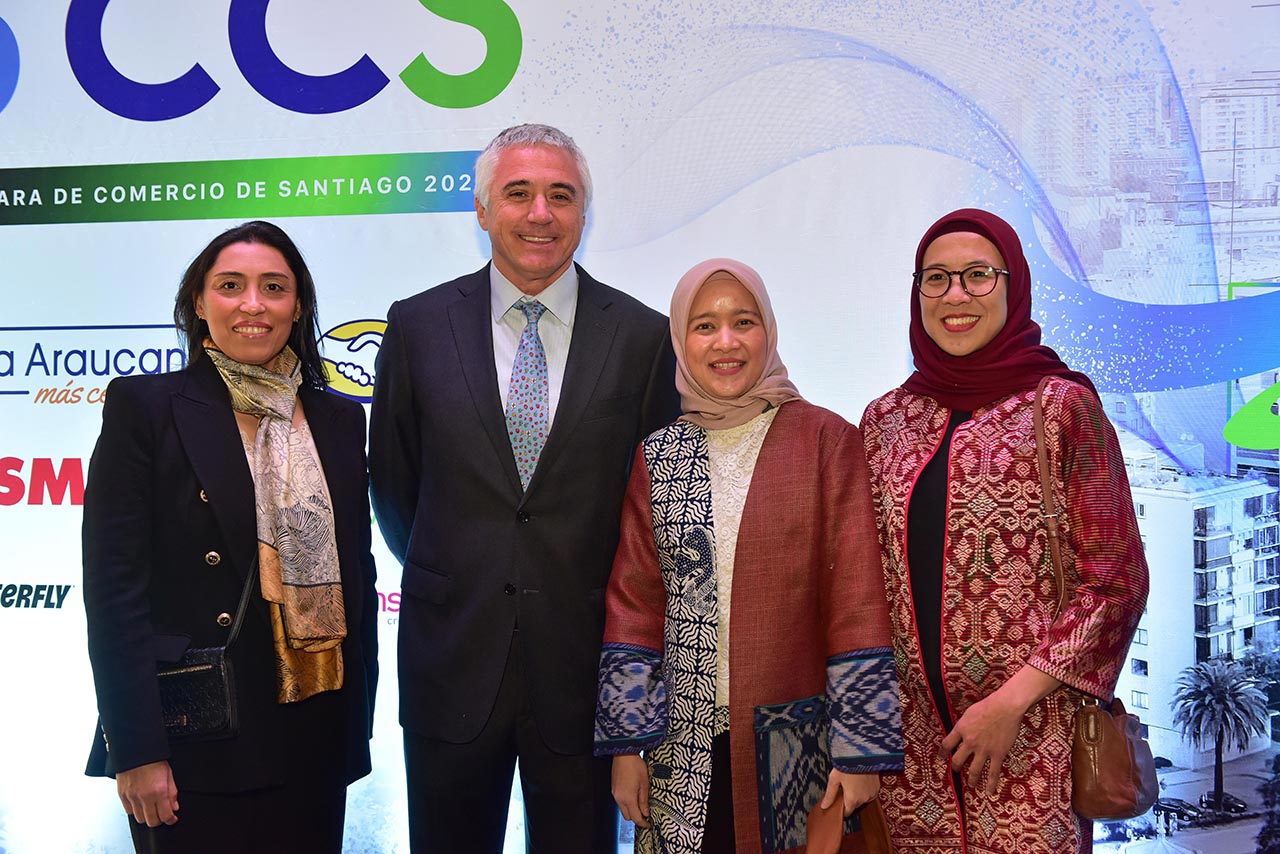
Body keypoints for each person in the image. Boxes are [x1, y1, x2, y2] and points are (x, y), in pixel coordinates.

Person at [369, 123, 681, 854]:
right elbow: (395, 484)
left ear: (584, 213)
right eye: (518, 193)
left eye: (561, 195)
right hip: (452, 660)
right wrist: (462, 572)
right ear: (482, 210)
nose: (541, 213)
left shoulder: (643, 337)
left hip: (586, 672)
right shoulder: (417, 325)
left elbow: (651, 512)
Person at [82, 221, 379, 853]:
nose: (253, 305)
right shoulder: (146, 407)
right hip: (195, 735)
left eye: (274, 287)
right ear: (198, 302)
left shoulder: (338, 418)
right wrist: (135, 748)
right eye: (230, 286)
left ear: (298, 306)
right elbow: (114, 594)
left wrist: (360, 724)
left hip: (314, 732)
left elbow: (360, 570)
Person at [859, 208, 1150, 853]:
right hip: (910, 758)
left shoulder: (1063, 409)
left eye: (978, 275)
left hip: (1031, 743)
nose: (955, 295)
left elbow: (1116, 583)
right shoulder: (885, 421)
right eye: (936, 278)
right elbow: (862, 586)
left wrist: (1009, 703)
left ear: (1013, 284)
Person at [594, 258, 904, 854]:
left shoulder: (824, 440)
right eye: (704, 326)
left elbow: (857, 601)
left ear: (769, 331)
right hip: (677, 751)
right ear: (680, 340)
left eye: (744, 321)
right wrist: (627, 745)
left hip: (798, 748)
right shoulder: (661, 454)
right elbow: (634, 603)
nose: (726, 342)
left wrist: (861, 750)